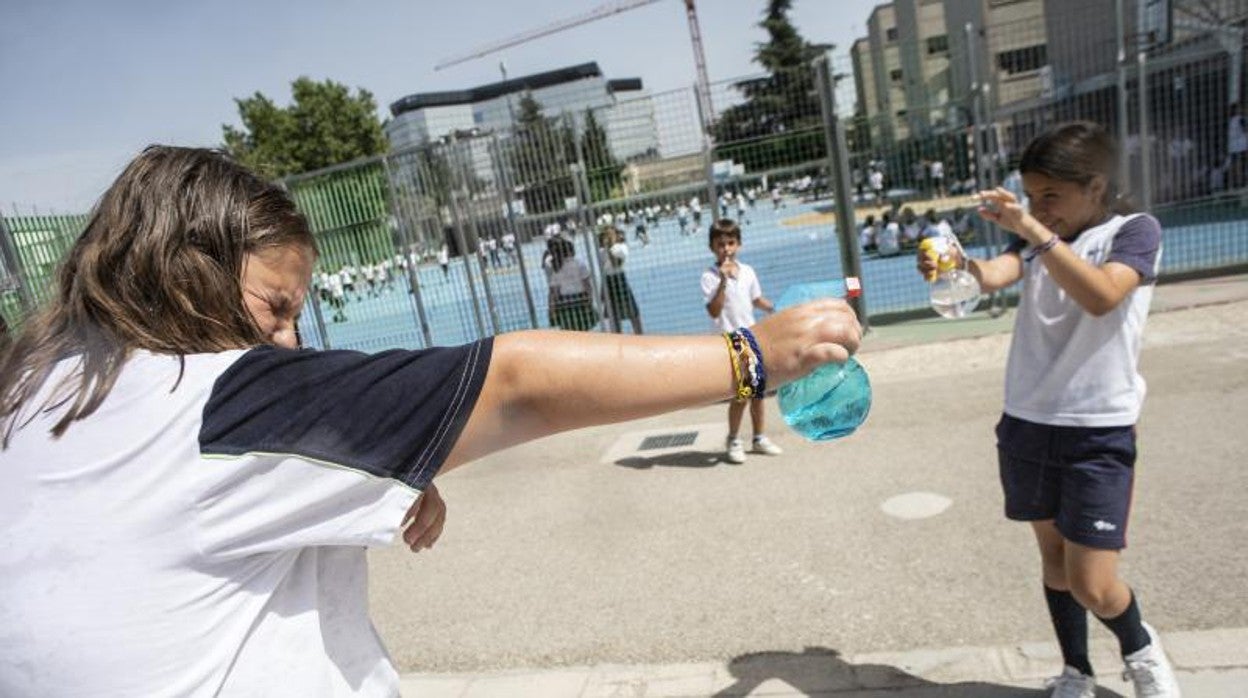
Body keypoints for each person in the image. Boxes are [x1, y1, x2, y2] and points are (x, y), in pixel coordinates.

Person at [0, 145, 862, 696]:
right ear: (184, 269)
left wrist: (379, 477)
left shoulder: (38, 385)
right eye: (273, 307)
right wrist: (756, 356)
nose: (288, 340)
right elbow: (518, 382)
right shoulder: (225, 401)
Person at [915, 122, 1180, 698]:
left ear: (1095, 185)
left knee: (1095, 584)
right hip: (1028, 422)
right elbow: (992, 276)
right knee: (1056, 566)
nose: (1040, 206)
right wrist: (956, 269)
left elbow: (1103, 295)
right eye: (1032, 195)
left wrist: (1032, 228)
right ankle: (1076, 670)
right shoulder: (1034, 240)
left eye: (1050, 195)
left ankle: (1140, 648)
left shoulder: (1134, 231)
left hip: (1097, 429)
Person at [700, 218, 783, 464]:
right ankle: (734, 439)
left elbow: (756, 299)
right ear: (712, 247)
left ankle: (758, 438)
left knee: (759, 393)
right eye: (720, 244)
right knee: (742, 394)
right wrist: (724, 281)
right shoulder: (709, 276)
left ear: (739, 245)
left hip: (752, 336)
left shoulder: (747, 271)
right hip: (729, 340)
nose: (726, 248)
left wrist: (776, 308)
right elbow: (714, 311)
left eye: (730, 243)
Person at [598, 226, 643, 335]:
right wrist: (602, 289)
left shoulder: (621, 248)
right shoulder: (601, 251)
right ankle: (618, 336)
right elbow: (603, 270)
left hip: (619, 278)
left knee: (633, 312)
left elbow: (616, 263)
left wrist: (609, 247)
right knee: (613, 314)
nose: (608, 237)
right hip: (608, 280)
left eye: (610, 234)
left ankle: (639, 335)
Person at [545, 236, 598, 331]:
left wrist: (552, 309)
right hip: (581, 298)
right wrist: (590, 300)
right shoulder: (580, 263)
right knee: (585, 330)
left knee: (569, 332)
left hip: (565, 302)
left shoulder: (557, 268)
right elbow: (587, 285)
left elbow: (554, 292)